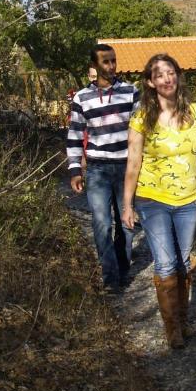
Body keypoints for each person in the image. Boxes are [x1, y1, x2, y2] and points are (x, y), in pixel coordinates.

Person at [122, 53, 196, 349]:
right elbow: (132, 163)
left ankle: (183, 321)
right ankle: (172, 329)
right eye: (159, 75)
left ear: (177, 76)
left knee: (183, 261)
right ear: (150, 82)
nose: (166, 79)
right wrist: (127, 204)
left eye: (170, 73)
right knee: (167, 262)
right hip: (153, 199)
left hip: (189, 201)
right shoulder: (142, 118)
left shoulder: (195, 113)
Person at [67, 44, 139, 293]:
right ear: (94, 66)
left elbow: (142, 132)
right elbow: (75, 135)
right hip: (97, 169)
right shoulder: (81, 98)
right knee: (101, 223)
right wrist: (75, 169)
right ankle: (110, 278)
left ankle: (123, 268)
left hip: (126, 168)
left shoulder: (131, 92)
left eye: (113, 61)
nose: (111, 66)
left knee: (126, 223)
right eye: (105, 62)